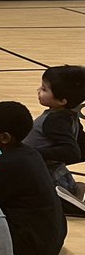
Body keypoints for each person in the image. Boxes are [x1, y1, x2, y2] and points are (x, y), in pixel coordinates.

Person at [0, 101, 65, 255]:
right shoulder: (30, 153)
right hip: (51, 236)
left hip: (33, 246)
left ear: (4, 137)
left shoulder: (5, 164)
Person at [23, 65, 85, 212]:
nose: (39, 90)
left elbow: (72, 151)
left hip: (38, 171)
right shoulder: (71, 115)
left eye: (44, 89)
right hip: (54, 170)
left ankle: (65, 201)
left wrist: (33, 153)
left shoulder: (55, 120)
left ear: (62, 101)